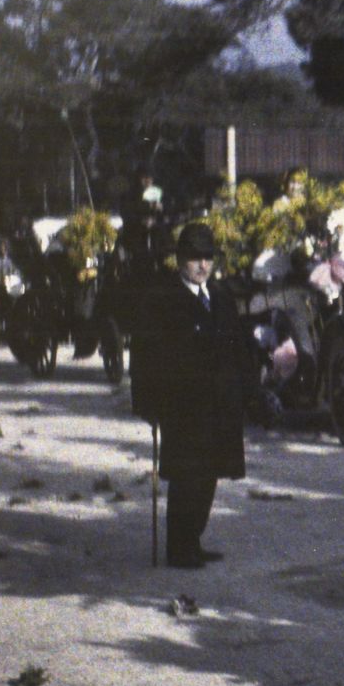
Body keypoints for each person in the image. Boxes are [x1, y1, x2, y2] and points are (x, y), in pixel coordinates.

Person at [131, 221, 252, 567]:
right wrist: (147, 403)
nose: (202, 266)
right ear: (179, 260)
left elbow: (238, 346)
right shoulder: (162, 299)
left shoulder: (221, 295)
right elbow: (144, 354)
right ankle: (178, 547)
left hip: (220, 404)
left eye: (208, 258)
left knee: (211, 474)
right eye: (194, 258)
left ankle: (194, 540)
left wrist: (249, 390)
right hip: (183, 405)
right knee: (187, 476)